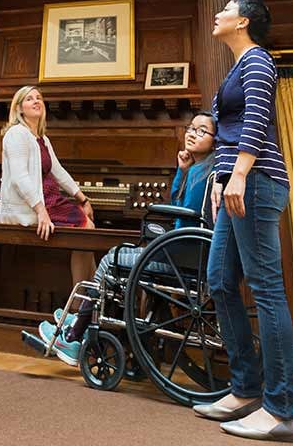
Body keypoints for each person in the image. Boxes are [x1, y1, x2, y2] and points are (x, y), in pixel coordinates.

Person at [193, 0, 293, 443]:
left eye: (226, 9)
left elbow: (256, 119)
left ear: (245, 21)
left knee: (266, 288)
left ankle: (280, 409)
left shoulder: (259, 61)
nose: (218, 14)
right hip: (236, 180)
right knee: (220, 280)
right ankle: (245, 388)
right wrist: (219, 180)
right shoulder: (237, 67)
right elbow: (229, 131)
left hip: (255, 180)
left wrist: (237, 175)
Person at [37, 110, 217, 366]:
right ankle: (82, 323)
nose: (192, 134)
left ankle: (77, 333)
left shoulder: (203, 175)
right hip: (184, 253)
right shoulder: (200, 170)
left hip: (179, 257)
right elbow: (180, 205)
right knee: (115, 255)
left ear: (214, 140)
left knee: (111, 259)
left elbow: (182, 215)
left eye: (202, 131)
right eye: (190, 128)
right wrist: (182, 170)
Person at [0, 85, 96, 286]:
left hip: (51, 201)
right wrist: (41, 212)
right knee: (86, 230)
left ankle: (92, 298)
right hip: (35, 205)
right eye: (29, 99)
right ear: (19, 109)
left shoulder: (41, 139)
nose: (36, 101)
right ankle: (84, 303)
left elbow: (58, 171)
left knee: (88, 231)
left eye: (39, 98)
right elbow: (20, 177)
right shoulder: (16, 133)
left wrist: (83, 199)